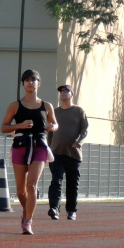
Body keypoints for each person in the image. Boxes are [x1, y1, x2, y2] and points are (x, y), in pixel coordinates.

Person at [0, 69, 58, 235]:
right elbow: (4, 127)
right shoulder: (15, 105)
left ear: (39, 84)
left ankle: (28, 221)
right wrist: (20, 125)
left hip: (39, 145)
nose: (30, 83)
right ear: (23, 84)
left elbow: (55, 123)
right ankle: (26, 210)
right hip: (20, 145)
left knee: (32, 185)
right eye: (27, 80)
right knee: (20, 190)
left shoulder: (46, 105)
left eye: (34, 80)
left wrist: (52, 127)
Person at [47, 84, 88, 221]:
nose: (63, 93)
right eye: (61, 91)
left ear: (72, 94)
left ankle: (71, 210)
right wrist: (47, 148)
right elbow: (50, 132)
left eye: (66, 91)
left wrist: (79, 142)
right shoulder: (54, 112)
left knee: (72, 184)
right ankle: (54, 208)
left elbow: (85, 130)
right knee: (56, 181)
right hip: (56, 153)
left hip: (73, 154)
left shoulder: (79, 111)